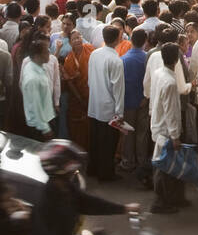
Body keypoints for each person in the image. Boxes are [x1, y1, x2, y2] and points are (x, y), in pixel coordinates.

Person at [149, 43, 189, 214]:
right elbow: (171, 111)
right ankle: (161, 202)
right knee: (165, 168)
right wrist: (175, 136)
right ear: (176, 60)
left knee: (166, 166)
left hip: (158, 125)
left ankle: (173, 198)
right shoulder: (171, 82)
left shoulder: (159, 74)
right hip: (166, 130)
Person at [87, 24, 125, 181]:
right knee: (108, 143)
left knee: (95, 140)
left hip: (95, 103)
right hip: (109, 108)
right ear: (118, 39)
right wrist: (120, 113)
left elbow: (89, 80)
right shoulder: (115, 59)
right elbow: (118, 89)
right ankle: (105, 174)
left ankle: (93, 169)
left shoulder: (95, 54)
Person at [120, 27, 151, 184]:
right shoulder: (147, 58)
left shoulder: (123, 59)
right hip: (143, 101)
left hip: (127, 102)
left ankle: (127, 161)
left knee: (128, 133)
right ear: (145, 41)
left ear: (131, 40)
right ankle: (142, 161)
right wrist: (145, 97)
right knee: (142, 133)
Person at [60, 29, 94, 151]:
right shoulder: (69, 59)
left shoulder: (90, 49)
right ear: (70, 42)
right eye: (74, 39)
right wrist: (80, 99)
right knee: (78, 128)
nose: (78, 40)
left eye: (79, 37)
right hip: (77, 97)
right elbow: (70, 83)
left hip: (92, 94)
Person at [20, 40, 55, 141]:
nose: (49, 53)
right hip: (40, 126)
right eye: (46, 51)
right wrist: (45, 129)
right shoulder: (32, 78)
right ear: (37, 55)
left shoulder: (36, 67)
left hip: (46, 118)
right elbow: (35, 105)